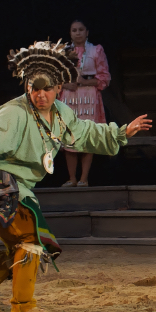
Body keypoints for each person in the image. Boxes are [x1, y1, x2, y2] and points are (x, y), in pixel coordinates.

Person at [0, 41, 152, 312]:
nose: (40, 95)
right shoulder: (15, 112)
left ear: (58, 87)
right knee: (30, 241)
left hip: (20, 187)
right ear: (27, 88)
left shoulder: (62, 114)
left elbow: (85, 133)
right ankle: (23, 306)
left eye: (46, 89)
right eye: (34, 89)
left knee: (21, 246)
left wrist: (121, 133)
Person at [58, 19, 112, 187]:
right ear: (70, 33)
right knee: (70, 137)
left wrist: (83, 82)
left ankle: (84, 178)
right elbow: (54, 77)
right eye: (74, 30)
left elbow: (104, 77)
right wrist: (66, 84)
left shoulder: (96, 50)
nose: (78, 33)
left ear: (87, 32)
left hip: (88, 95)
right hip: (68, 95)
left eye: (81, 29)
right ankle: (72, 178)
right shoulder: (62, 52)